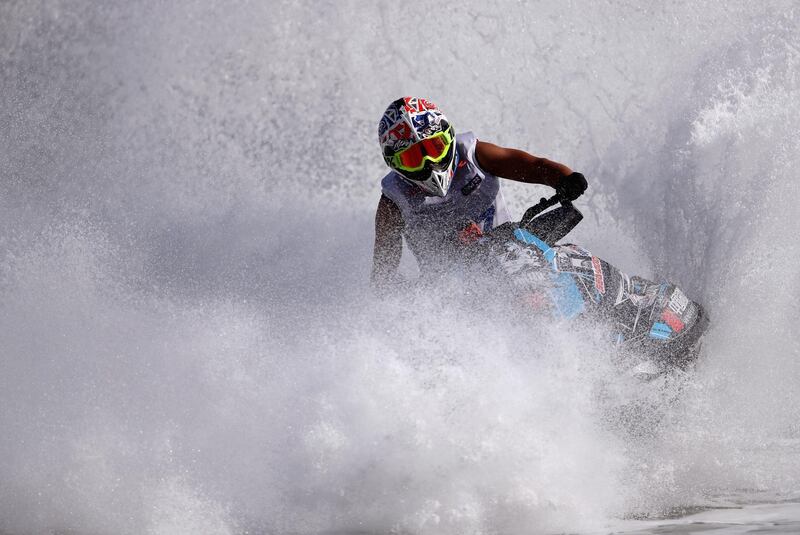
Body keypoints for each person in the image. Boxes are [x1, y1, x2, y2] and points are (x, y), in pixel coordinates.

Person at [371, 96, 588, 292]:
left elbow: (533, 166)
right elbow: (383, 273)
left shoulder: (475, 154)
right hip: (451, 290)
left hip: (516, 253)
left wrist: (564, 178)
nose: (430, 163)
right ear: (396, 166)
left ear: (447, 137)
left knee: (574, 263)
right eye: (413, 159)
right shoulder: (393, 202)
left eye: (434, 148)